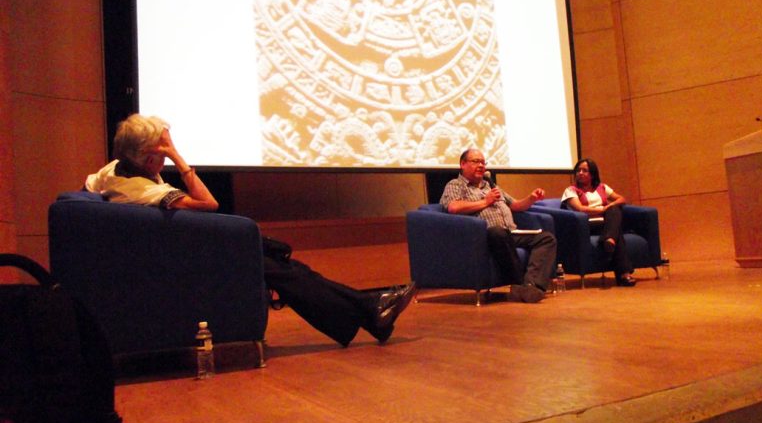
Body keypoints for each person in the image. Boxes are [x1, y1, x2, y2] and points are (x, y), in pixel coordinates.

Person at [84, 114, 415, 346]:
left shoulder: (117, 168)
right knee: (281, 270)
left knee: (287, 270)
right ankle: (369, 310)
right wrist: (178, 158)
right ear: (148, 157)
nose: (166, 155)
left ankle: (370, 311)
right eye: (162, 150)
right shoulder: (139, 188)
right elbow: (209, 203)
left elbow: (91, 185)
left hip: (176, 253)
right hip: (178, 262)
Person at [439, 149, 557, 302]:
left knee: (547, 238)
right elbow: (453, 207)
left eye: (483, 162)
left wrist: (531, 198)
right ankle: (519, 283)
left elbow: (515, 205)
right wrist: (485, 201)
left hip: (511, 233)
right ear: (462, 164)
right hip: (485, 236)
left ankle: (532, 286)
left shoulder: (490, 185)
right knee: (497, 232)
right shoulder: (456, 185)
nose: (481, 166)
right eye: (476, 161)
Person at [561, 158, 635, 287]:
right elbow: (580, 209)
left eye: (584, 170)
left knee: (615, 209)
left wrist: (609, 207)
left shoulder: (602, 187)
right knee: (616, 230)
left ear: (592, 174)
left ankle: (609, 240)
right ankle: (624, 273)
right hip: (586, 224)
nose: (580, 173)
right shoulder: (571, 190)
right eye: (578, 170)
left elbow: (621, 199)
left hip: (606, 223)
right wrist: (603, 209)